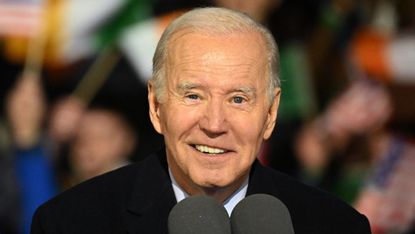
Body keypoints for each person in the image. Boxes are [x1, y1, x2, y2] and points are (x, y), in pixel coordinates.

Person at [31, 7, 371, 233]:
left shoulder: (336, 226)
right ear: (156, 106)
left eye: (238, 99)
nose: (214, 123)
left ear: (270, 114)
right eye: (193, 96)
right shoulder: (71, 223)